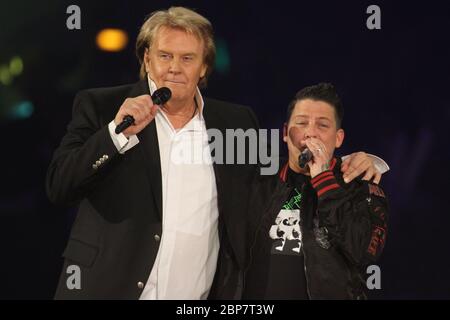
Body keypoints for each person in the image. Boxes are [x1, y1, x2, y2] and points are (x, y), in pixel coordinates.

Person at [46, 7, 385, 299]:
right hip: (107, 290)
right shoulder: (103, 106)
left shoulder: (234, 121)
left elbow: (285, 175)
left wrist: (354, 161)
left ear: (204, 67)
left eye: (187, 58)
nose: (174, 68)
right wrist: (114, 135)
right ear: (147, 59)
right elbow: (60, 184)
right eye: (164, 55)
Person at [242, 83, 389, 299]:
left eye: (322, 126)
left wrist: (323, 178)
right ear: (285, 133)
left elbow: (363, 251)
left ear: (338, 138)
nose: (310, 133)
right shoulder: (257, 181)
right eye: (301, 123)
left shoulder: (362, 189)